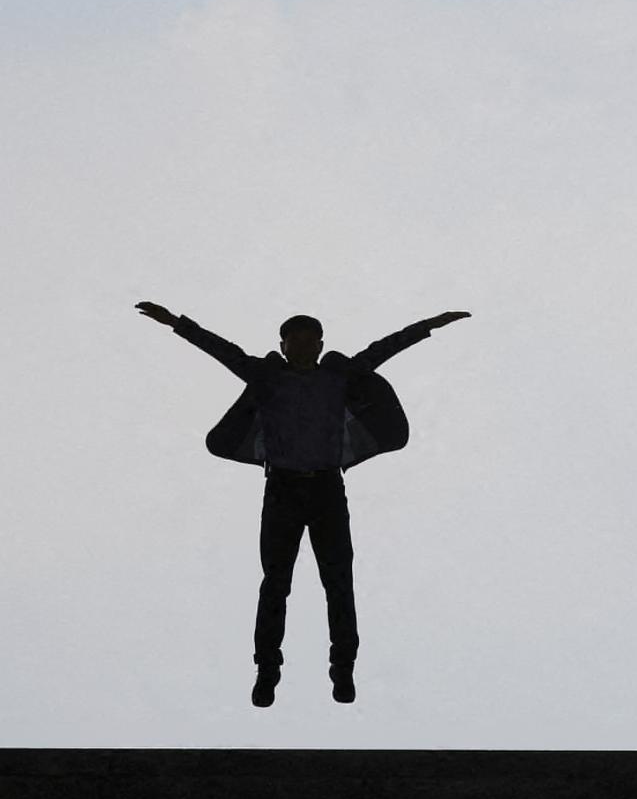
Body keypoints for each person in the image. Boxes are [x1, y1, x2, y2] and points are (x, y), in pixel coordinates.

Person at [136, 301, 469, 707]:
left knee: (338, 582)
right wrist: (175, 323)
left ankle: (342, 667)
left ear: (321, 343)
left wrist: (430, 324)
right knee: (276, 582)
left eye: (311, 338)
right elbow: (222, 350)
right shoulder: (267, 376)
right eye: (295, 338)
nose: (303, 344)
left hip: (327, 488)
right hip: (282, 489)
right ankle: (267, 669)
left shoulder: (338, 376)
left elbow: (384, 349)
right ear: (284, 344)